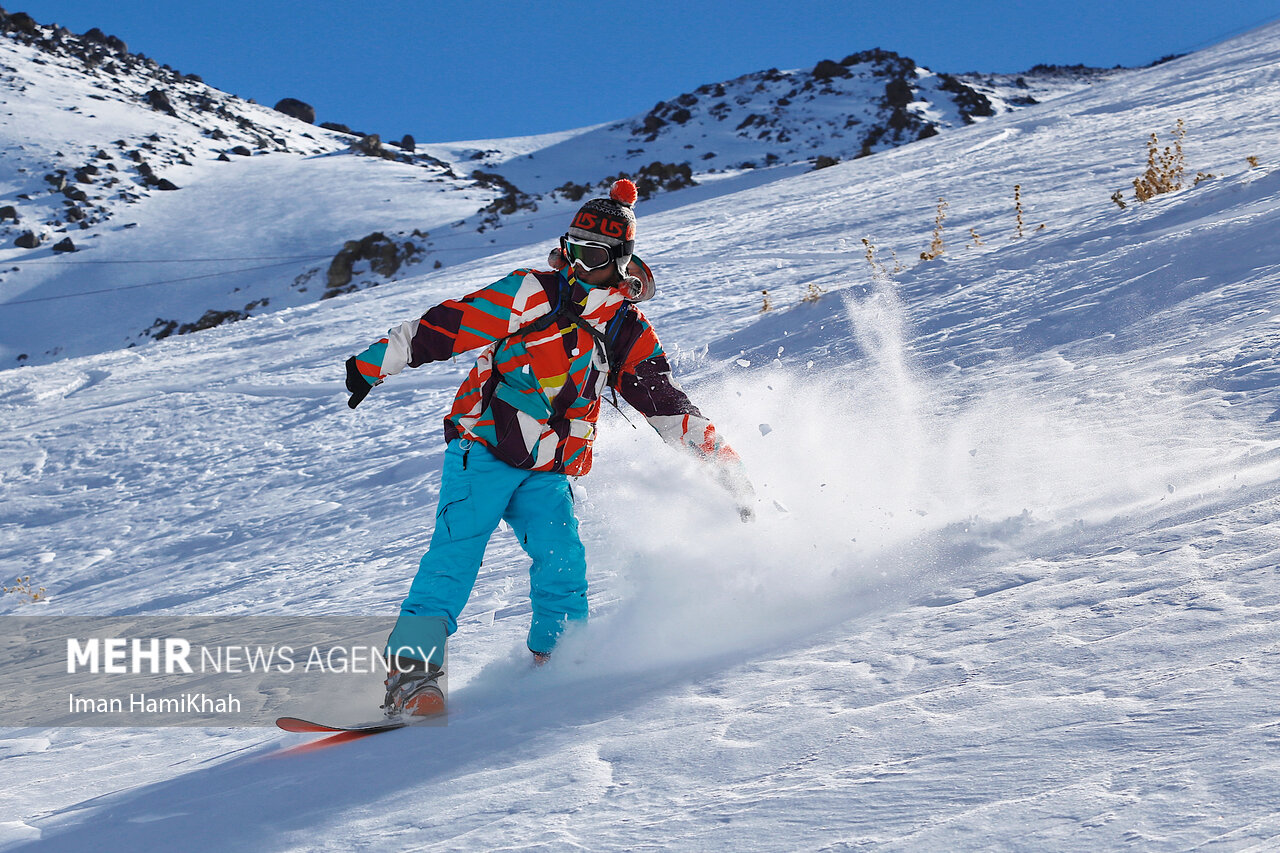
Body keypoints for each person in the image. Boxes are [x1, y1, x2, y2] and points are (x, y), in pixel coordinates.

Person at [345, 179, 755, 718]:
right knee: (454, 557)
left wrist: (723, 467)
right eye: (573, 248)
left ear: (621, 259)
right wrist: (373, 363)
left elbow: (667, 406)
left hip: (548, 464)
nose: (579, 264)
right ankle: (410, 680)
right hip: (483, 445)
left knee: (563, 563)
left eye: (595, 255)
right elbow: (451, 325)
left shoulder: (626, 330)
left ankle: (559, 662)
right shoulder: (533, 292)